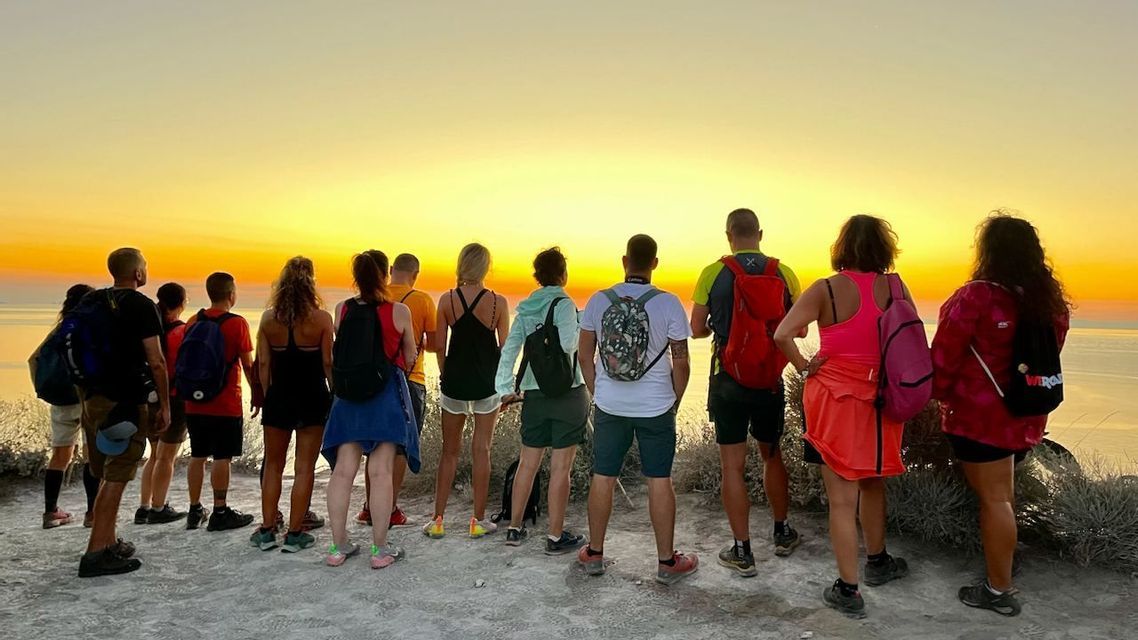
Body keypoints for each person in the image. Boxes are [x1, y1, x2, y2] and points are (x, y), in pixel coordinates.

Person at [932, 213, 1070, 617]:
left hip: (978, 417)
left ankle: (999, 590)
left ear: (987, 251)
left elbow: (944, 356)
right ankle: (1004, 559)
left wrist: (931, 396)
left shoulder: (975, 297)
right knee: (1002, 494)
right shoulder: (1047, 300)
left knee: (994, 499)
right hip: (1026, 413)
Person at [774, 215, 911, 618]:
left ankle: (849, 589)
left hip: (833, 400)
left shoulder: (826, 289)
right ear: (884, 247)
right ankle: (879, 561)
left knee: (840, 500)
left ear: (842, 247)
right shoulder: (897, 288)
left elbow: (783, 333)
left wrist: (803, 365)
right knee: (872, 482)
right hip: (882, 399)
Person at [577, 234, 698, 585]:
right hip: (656, 406)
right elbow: (683, 361)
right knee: (659, 479)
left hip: (611, 405)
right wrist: (675, 399)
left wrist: (597, 390)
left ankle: (595, 554)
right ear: (655, 264)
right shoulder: (669, 303)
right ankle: (666, 562)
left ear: (625, 261)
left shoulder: (599, 300)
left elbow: (584, 354)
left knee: (604, 475)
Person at [690, 208, 802, 576]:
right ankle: (783, 533)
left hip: (728, 381)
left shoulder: (713, 272)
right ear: (760, 233)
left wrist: (717, 326)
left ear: (728, 235)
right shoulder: (783, 273)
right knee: (772, 456)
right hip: (768, 379)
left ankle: (743, 551)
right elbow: (798, 331)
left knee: (732, 467)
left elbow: (697, 330)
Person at [322, 250, 419, 569]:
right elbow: (410, 355)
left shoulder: (343, 308)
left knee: (343, 471)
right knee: (380, 472)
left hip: (348, 398)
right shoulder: (399, 311)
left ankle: (338, 547)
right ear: (384, 275)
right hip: (384, 396)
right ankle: (379, 551)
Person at [77, 248, 171, 577]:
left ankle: (107, 539)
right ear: (137, 274)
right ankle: (96, 553)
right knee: (118, 475)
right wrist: (165, 405)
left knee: (106, 471)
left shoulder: (90, 302)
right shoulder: (141, 305)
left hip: (92, 399)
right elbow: (156, 361)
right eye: (144, 265)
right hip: (125, 402)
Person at [495, 247, 588, 554]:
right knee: (562, 468)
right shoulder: (564, 303)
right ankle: (555, 536)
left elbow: (509, 350)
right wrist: (579, 321)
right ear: (563, 274)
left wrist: (504, 387)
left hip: (534, 395)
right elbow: (569, 344)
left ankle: (514, 528)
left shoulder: (526, 309)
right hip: (567, 393)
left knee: (527, 464)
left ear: (537, 276)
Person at [249, 257, 334, 553]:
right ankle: (296, 533)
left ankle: (267, 529)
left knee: (273, 465)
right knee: (304, 468)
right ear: (311, 283)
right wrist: (335, 393)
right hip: (313, 397)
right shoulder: (322, 319)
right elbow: (326, 362)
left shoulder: (268, 319)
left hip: (279, 397)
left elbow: (263, 364)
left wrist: (268, 395)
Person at [426, 243, 509, 539]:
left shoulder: (447, 299)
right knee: (482, 450)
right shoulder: (498, 302)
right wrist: (505, 385)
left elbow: (439, 346)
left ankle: (437, 520)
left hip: (455, 383)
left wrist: (446, 372)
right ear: (486, 268)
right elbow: (504, 349)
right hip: (487, 383)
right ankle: (478, 520)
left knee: (449, 452)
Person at [356, 253, 436, 529]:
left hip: (372, 381)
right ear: (417, 273)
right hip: (410, 379)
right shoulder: (422, 300)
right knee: (401, 446)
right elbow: (436, 344)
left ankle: (368, 507)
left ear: (391, 270)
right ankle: (389, 507)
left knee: (373, 446)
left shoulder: (371, 296)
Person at [182, 272, 257, 532]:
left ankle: (194, 509)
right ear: (231, 294)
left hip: (194, 401)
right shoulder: (237, 324)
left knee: (198, 454)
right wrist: (257, 393)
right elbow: (247, 364)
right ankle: (220, 511)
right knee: (222, 457)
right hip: (225, 403)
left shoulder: (192, 321)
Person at [28, 284, 98, 529]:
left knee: (60, 456)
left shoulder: (59, 330)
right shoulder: (89, 328)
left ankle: (50, 512)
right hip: (86, 397)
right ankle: (92, 513)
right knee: (92, 457)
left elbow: (32, 359)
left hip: (60, 400)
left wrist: (43, 389)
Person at [134, 283, 190, 525]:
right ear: (182, 303)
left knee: (154, 454)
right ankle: (158, 508)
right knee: (167, 456)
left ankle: (144, 506)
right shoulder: (181, 332)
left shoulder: (149, 329)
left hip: (148, 397)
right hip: (173, 398)